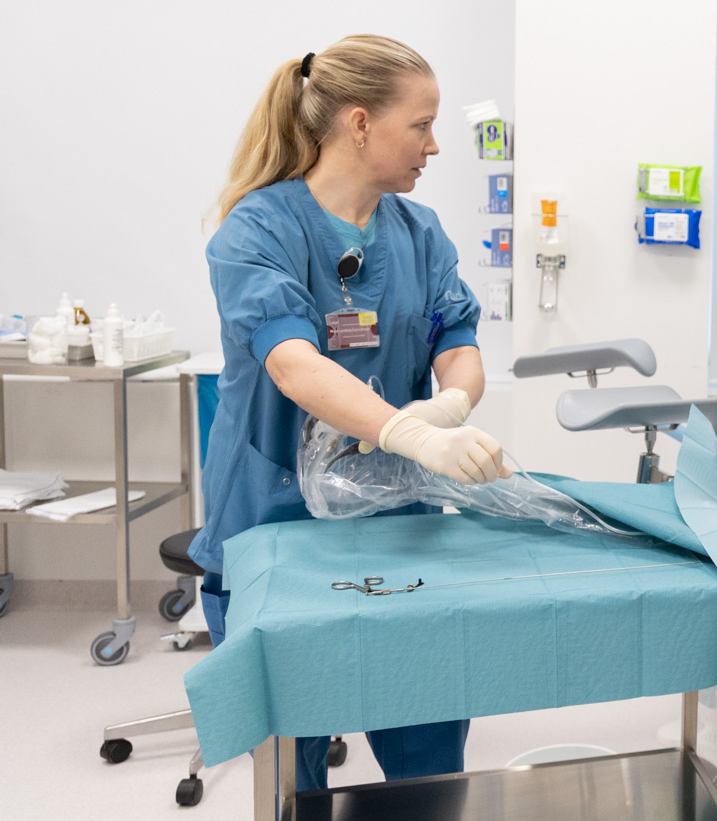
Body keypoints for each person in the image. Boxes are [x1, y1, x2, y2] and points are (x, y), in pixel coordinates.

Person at [190, 35, 511, 792]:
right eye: (421, 125)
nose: (434, 145)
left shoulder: (419, 232)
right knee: (291, 773)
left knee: (428, 755)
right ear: (360, 123)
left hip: (400, 527)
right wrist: (405, 432)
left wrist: (451, 402)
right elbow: (293, 362)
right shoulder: (257, 230)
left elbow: (459, 343)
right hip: (276, 526)